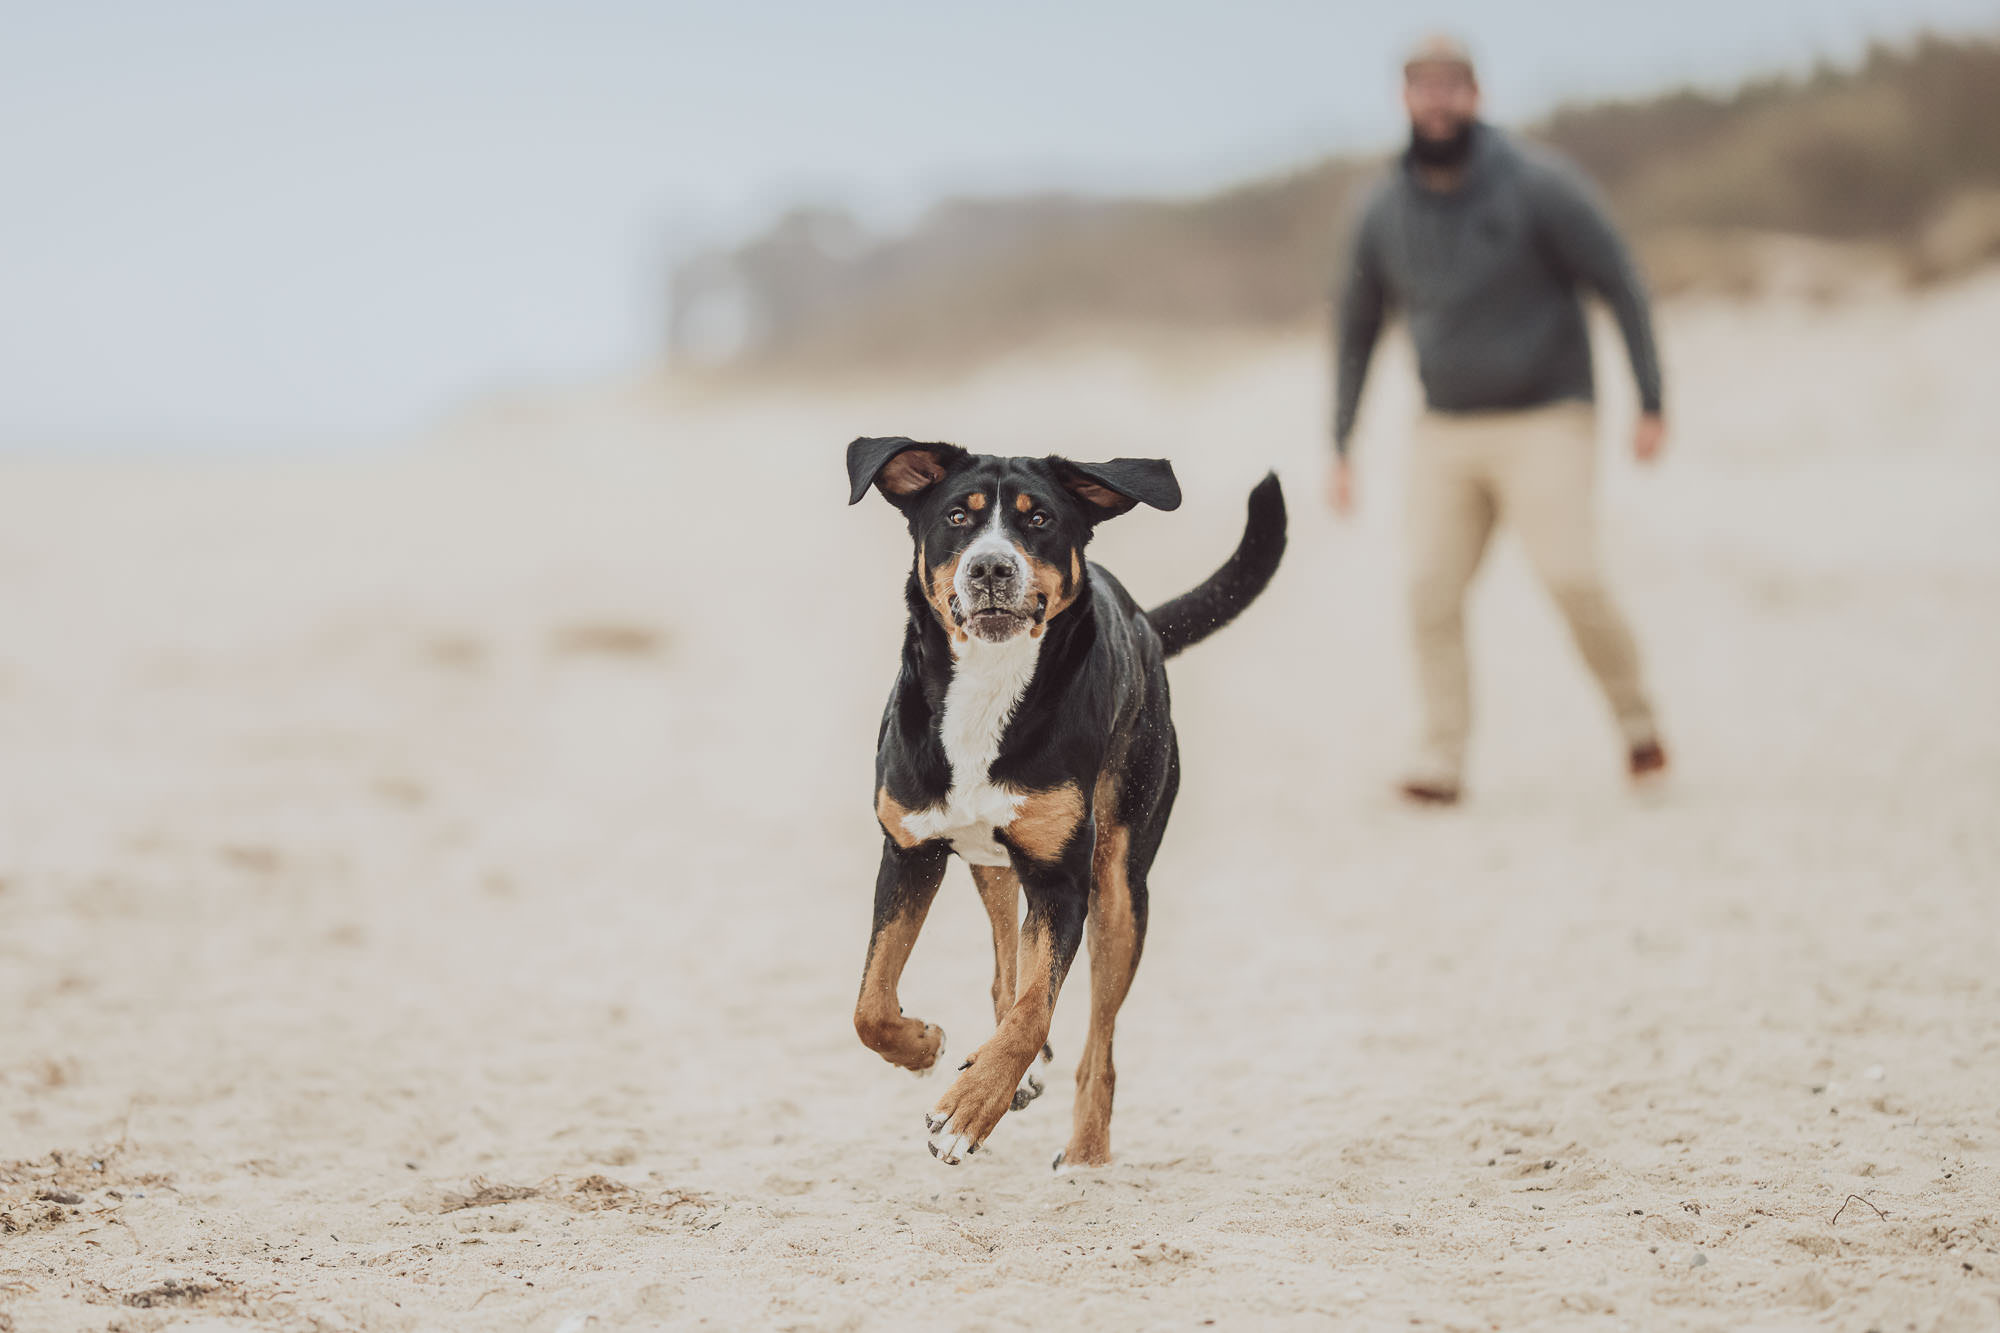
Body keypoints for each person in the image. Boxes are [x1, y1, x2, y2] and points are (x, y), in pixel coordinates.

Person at [1330, 33, 1669, 805]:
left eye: (1452, 85)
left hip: (1549, 416)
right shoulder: (1381, 207)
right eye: (1423, 85)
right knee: (1428, 591)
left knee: (1571, 577)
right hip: (1445, 429)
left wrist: (1651, 398)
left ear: (1475, 95)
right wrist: (1340, 441)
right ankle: (1441, 757)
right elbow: (1355, 324)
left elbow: (1620, 279)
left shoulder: (1539, 184)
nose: (1438, 99)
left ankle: (1637, 721)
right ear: (1404, 98)